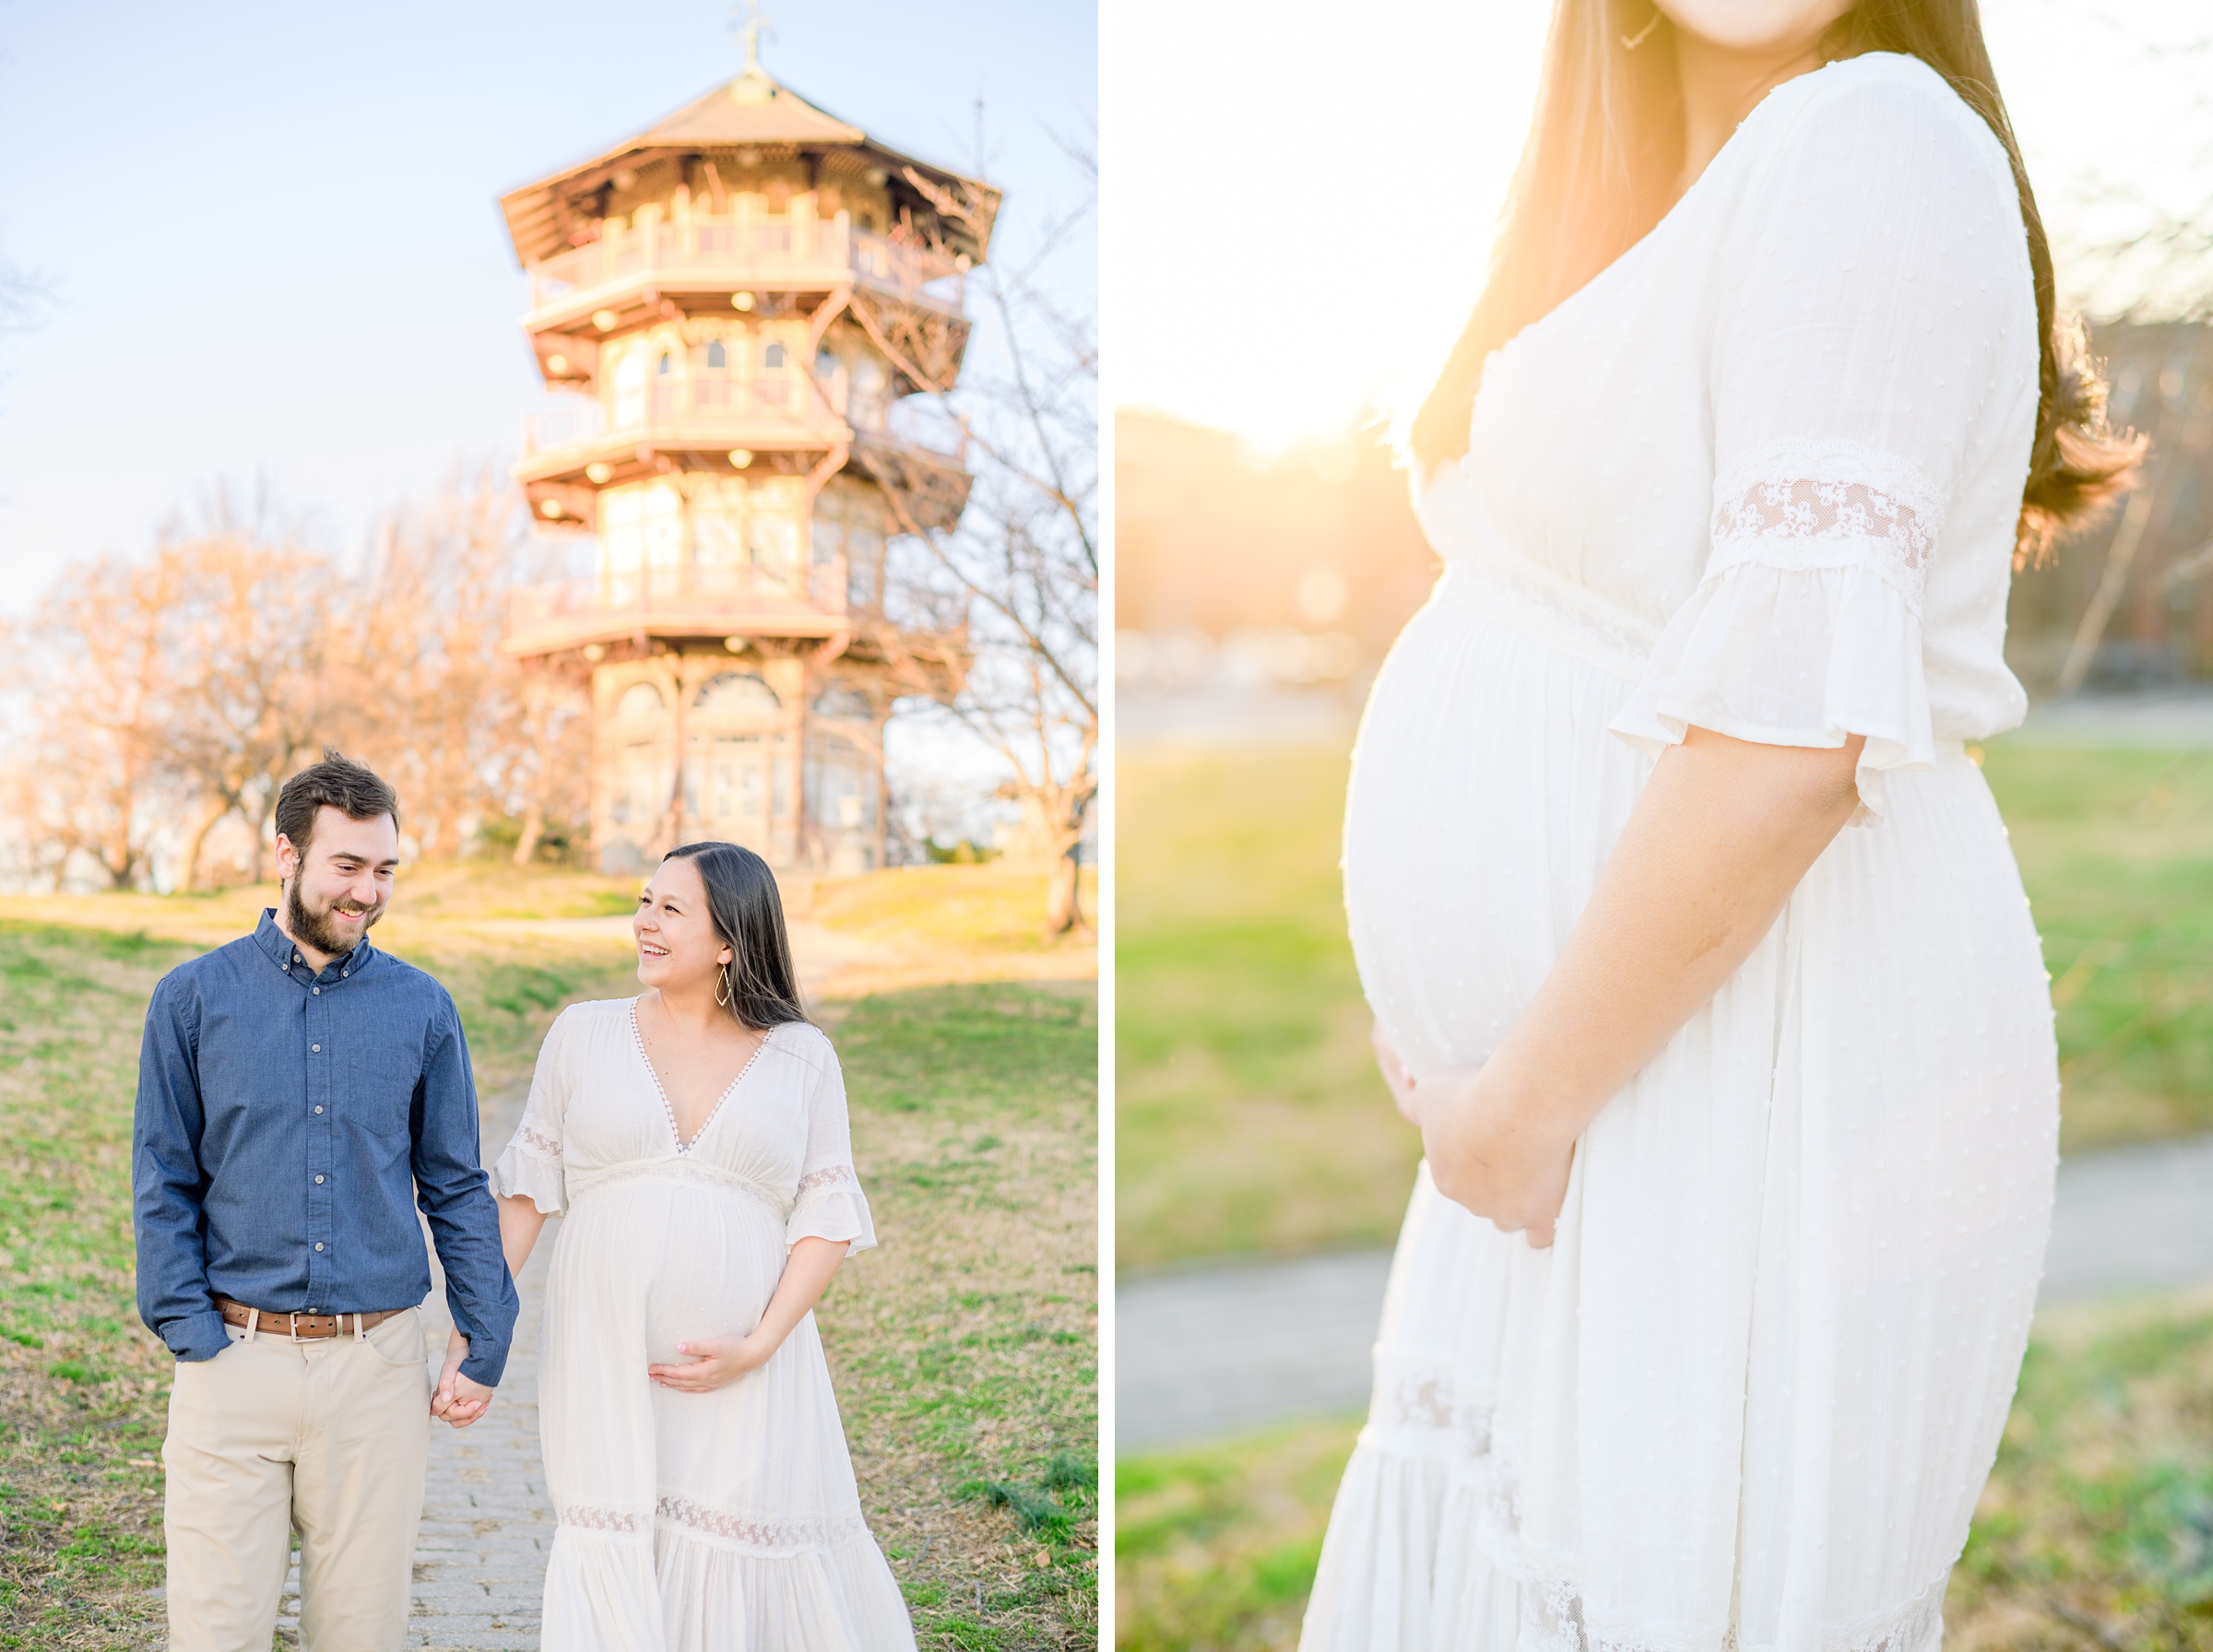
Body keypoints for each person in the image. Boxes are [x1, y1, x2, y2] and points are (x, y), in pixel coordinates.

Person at [1303, 0, 2143, 1646]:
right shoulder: (1626, 190)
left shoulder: (1876, 137)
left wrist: (1518, 1105)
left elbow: (1787, 740)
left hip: (1737, 1056)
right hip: (1584, 1093)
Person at [134, 750, 519, 1652]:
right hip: (233, 1359)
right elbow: (164, 1178)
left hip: (376, 1370)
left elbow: (456, 1184)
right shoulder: (191, 1000)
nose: (367, 891)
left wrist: (486, 1337)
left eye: (384, 869)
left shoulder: (423, 1009)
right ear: (286, 853)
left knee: (360, 1634)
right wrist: (194, 1335)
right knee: (214, 1632)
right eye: (348, 866)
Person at [491, 839, 914, 1649]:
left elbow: (826, 1217)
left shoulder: (803, 1057)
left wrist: (757, 1346)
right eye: (645, 902)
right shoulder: (582, 1033)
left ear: (730, 941)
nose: (644, 923)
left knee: (738, 1546)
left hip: (745, 1367)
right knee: (612, 1535)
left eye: (670, 909)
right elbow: (527, 1189)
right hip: (605, 1353)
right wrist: (482, 1324)